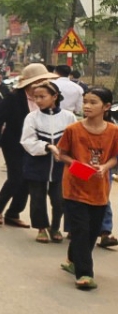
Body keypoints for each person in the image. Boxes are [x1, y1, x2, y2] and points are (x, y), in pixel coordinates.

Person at [50, 87, 118, 291]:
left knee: (92, 231)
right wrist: (80, 167)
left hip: (99, 188)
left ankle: (73, 259)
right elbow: (62, 155)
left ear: (106, 107)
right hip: (74, 187)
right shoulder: (73, 130)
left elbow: (115, 156)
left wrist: (104, 167)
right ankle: (85, 273)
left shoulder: (114, 132)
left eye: (93, 102)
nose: (87, 106)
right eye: (85, 101)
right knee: (80, 229)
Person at [0, 63, 58, 228]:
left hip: (35, 145)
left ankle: (13, 213)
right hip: (13, 143)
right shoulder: (13, 98)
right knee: (16, 177)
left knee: (28, 180)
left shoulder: (47, 98)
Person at [19, 80, 74, 244]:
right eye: (35, 97)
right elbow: (27, 141)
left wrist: (64, 153)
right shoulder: (32, 117)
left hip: (60, 166)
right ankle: (41, 228)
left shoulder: (68, 117)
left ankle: (55, 226)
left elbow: (74, 140)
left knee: (59, 200)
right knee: (37, 198)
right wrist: (48, 146)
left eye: (42, 96)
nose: (38, 100)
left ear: (55, 96)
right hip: (37, 164)